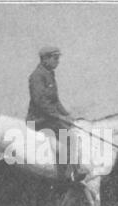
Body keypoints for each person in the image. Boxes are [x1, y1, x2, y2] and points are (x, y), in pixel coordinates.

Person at [26, 46, 87, 182]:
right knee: (68, 136)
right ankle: (68, 174)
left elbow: (55, 100)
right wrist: (60, 117)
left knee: (74, 129)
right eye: (55, 58)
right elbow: (40, 102)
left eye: (58, 58)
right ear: (45, 59)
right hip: (38, 119)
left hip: (49, 117)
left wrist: (67, 114)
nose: (57, 62)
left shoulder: (49, 74)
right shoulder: (37, 76)